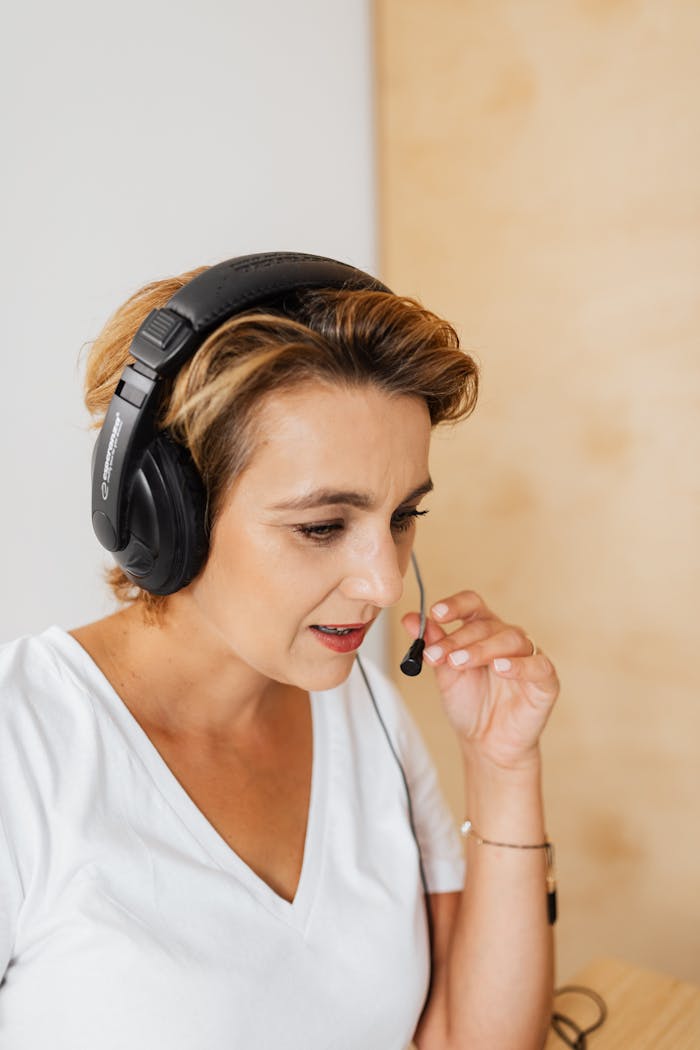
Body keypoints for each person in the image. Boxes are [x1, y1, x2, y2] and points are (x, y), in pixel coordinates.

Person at [0, 252, 560, 1049]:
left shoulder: (366, 714)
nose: (384, 582)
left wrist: (503, 770)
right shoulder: (21, 746)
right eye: (322, 527)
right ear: (168, 517)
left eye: (404, 516)